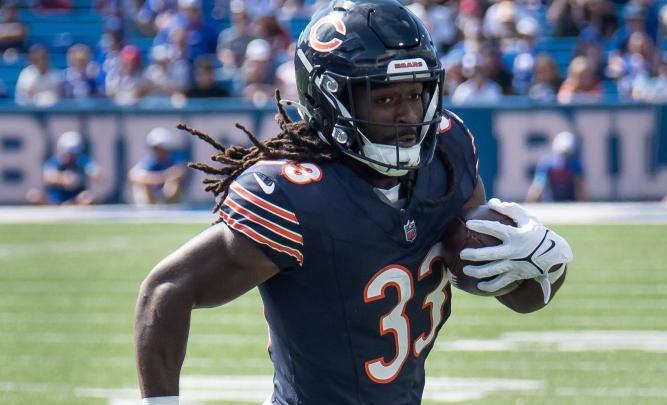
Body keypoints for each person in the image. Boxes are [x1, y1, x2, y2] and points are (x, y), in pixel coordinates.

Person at [134, 1, 574, 404]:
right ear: (329, 100)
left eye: (415, 93)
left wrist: (533, 261)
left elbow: (494, 277)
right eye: (383, 98)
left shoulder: (447, 153)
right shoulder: (299, 195)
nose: (406, 113)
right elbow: (166, 289)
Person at [26, 131, 100, 205]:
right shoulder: (55, 162)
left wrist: (92, 173)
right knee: (34, 195)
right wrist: (63, 179)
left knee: (87, 197)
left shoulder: (81, 161)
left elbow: (96, 172)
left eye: (74, 153)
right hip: (55, 201)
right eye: (69, 153)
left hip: (75, 201)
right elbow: (48, 177)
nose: (71, 157)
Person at [127, 127, 187, 205]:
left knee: (173, 183)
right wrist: (156, 179)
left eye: (159, 148)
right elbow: (133, 174)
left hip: (169, 197)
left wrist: (160, 178)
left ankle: (172, 208)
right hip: (152, 195)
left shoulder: (176, 158)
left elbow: (180, 172)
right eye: (155, 148)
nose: (156, 151)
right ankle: (146, 210)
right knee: (141, 186)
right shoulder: (151, 160)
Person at [526, 131, 586, 202]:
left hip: (569, 206)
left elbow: (580, 187)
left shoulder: (575, 163)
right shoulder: (546, 163)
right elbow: (537, 188)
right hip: (552, 206)